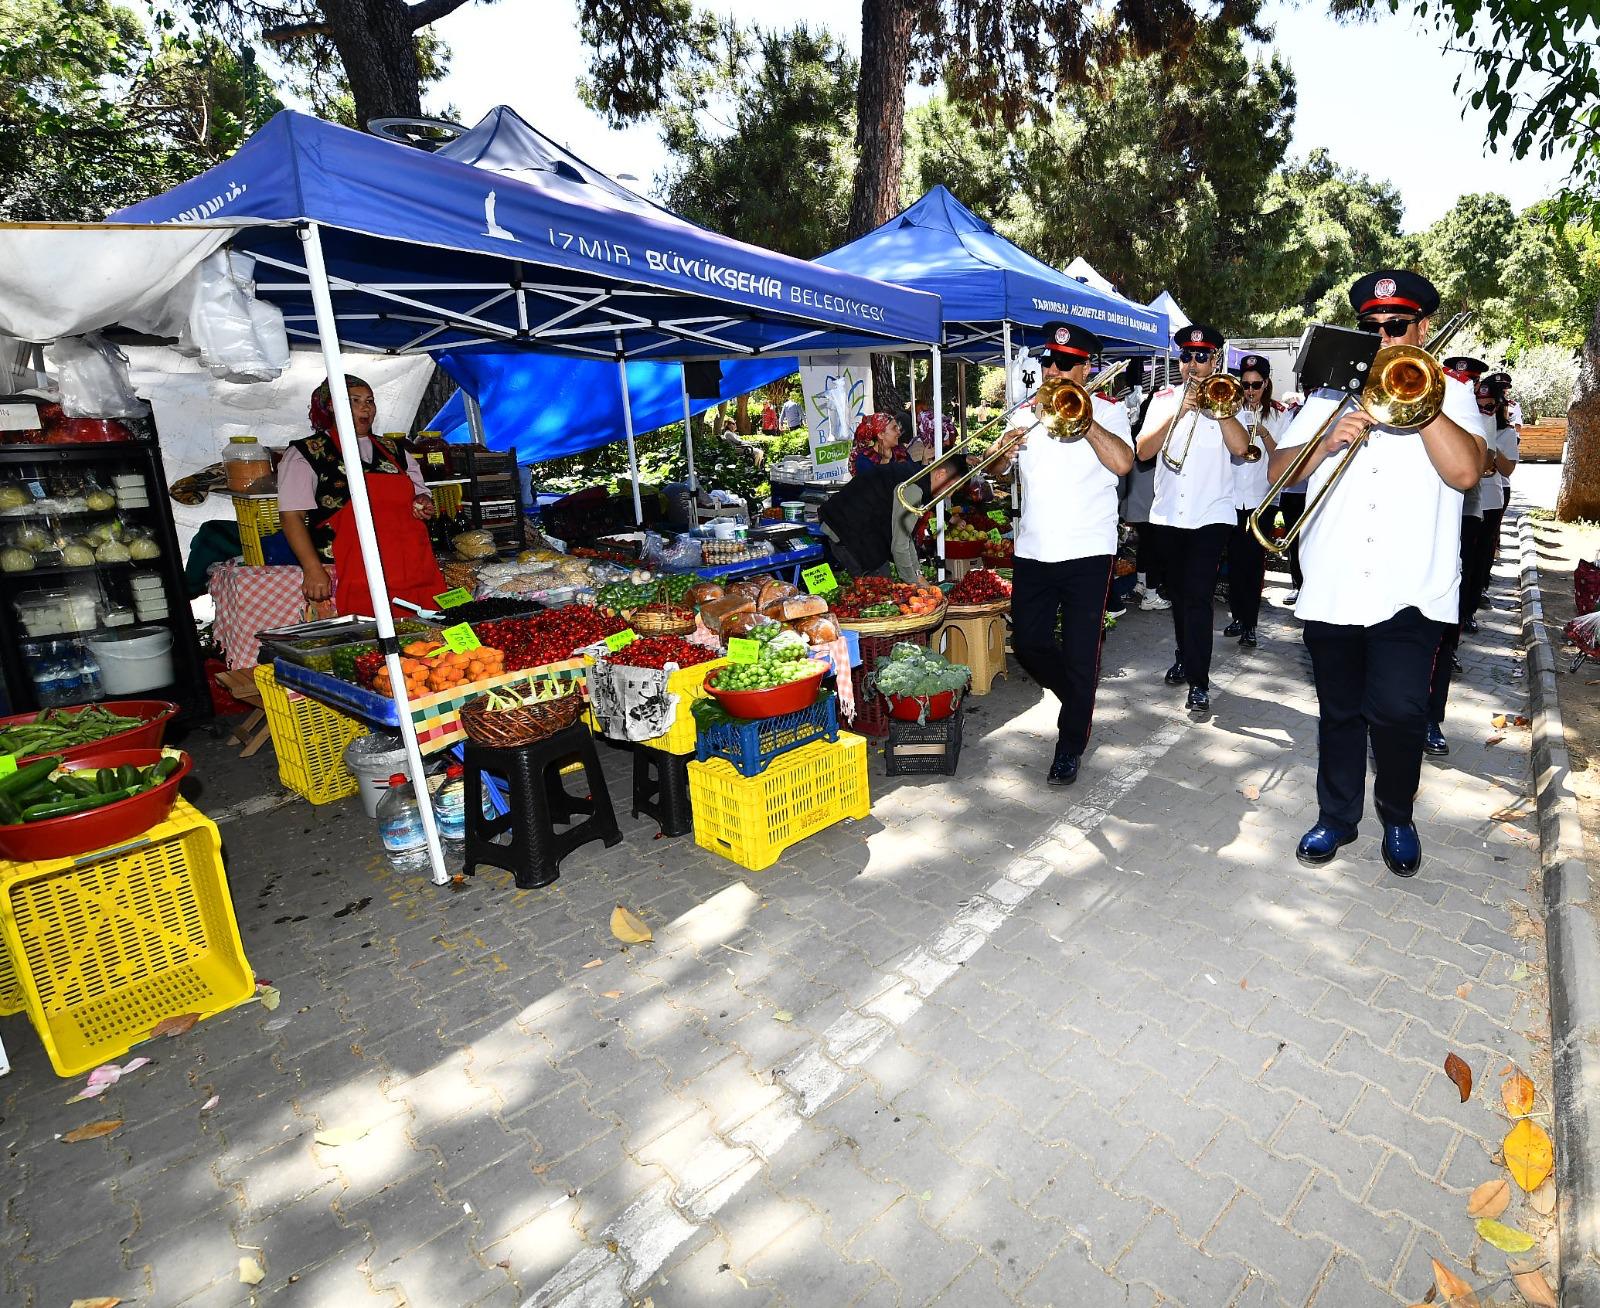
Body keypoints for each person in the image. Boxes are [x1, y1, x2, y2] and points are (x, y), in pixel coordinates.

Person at [1270, 270, 1486, 877]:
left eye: (1396, 327)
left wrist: (1418, 406)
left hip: (1411, 590)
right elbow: (1278, 474)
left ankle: (1397, 813)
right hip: (1334, 586)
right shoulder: (1326, 398)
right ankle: (1337, 818)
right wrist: (1325, 443)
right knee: (1338, 713)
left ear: (1421, 329)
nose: (1385, 339)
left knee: (1397, 713)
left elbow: (1467, 474)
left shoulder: (1452, 395)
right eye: (1372, 329)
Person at [989, 322, 1135, 786]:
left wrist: (1084, 419)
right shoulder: (1024, 414)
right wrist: (1000, 453)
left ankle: (1070, 745)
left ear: (1084, 367)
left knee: (1079, 652)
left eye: (1061, 364)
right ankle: (1076, 696)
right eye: (1047, 361)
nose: (1051, 369)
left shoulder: (1108, 413)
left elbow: (1123, 463)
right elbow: (996, 472)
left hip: (1089, 551)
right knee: (1030, 643)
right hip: (1034, 548)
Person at [1135, 324, 1254, 714]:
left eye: (1201, 357)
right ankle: (1185, 655)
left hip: (1211, 515)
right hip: (1168, 514)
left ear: (1215, 359)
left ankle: (1199, 681)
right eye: (1186, 356)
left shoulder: (1229, 399)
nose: (1193, 364)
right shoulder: (1165, 398)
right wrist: (1176, 413)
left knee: (1198, 598)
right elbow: (1142, 452)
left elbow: (1240, 448)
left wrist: (1217, 410)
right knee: (1179, 595)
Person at [278, 375, 435, 606]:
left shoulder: (395, 450)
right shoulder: (307, 453)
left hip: (407, 568)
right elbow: (292, 516)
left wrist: (422, 501)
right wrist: (312, 569)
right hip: (346, 571)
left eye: (370, 401)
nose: (365, 407)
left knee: (421, 639)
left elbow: (420, 492)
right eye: (355, 400)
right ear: (332, 406)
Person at [1223, 354, 1285, 648]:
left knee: (1253, 563)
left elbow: (1283, 460)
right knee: (1234, 562)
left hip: (1262, 499)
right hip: (1232, 496)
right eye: (1245, 385)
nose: (1250, 390)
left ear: (1266, 384)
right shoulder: (1229, 410)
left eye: (1256, 385)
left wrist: (1265, 434)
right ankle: (1237, 616)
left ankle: (1251, 623)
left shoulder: (1278, 414)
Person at [817, 458, 956, 581]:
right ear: (940, 474)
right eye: (950, 487)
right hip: (848, 531)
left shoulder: (916, 477)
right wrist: (915, 582)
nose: (950, 495)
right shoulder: (914, 488)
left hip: (856, 528)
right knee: (881, 589)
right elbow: (900, 545)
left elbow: (906, 536)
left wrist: (918, 575)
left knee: (883, 584)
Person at [1470, 375, 1520, 619]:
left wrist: (1490, 443)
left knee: (1481, 554)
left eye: (1489, 405)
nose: (1484, 409)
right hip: (1466, 498)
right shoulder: (1465, 423)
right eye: (1479, 404)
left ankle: (1475, 596)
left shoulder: (1507, 433)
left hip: (1490, 497)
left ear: (1498, 407)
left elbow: (1508, 469)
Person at [851, 412, 908, 477]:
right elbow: (875, 484)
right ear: (881, 434)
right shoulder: (864, 459)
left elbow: (915, 474)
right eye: (894, 428)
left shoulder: (901, 452)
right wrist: (885, 460)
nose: (899, 432)